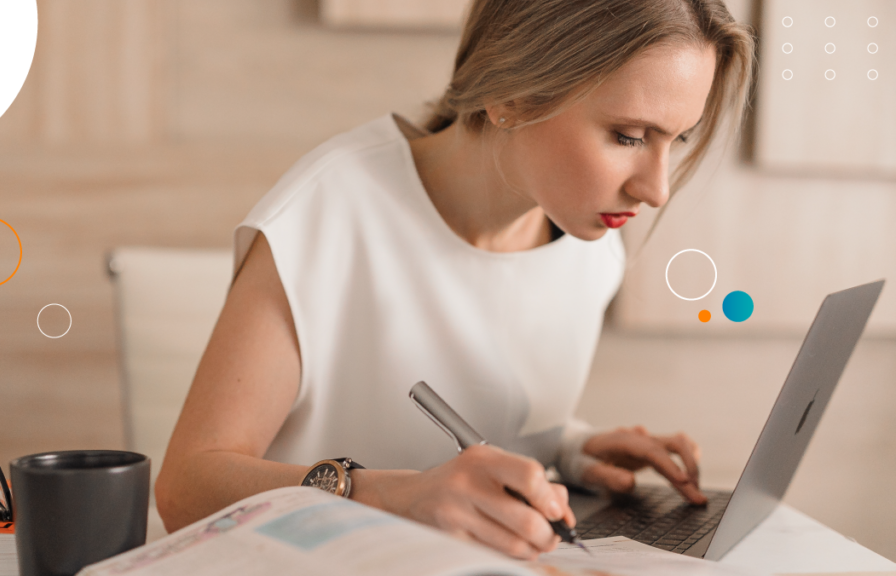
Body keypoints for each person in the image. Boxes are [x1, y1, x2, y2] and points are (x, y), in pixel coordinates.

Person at [156, 0, 753, 561]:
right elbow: (186, 488)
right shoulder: (327, 215)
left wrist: (571, 448)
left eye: (677, 140)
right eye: (628, 136)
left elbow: (482, 426)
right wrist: (398, 497)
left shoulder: (591, 245)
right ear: (510, 95)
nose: (656, 189)